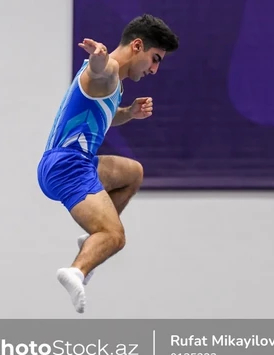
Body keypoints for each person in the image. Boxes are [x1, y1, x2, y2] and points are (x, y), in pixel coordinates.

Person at [37, 14, 179, 312]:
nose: (154, 69)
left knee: (133, 173)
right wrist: (98, 59)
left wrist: (129, 113)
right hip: (67, 167)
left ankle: (94, 238)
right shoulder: (110, 71)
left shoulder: (115, 87)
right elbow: (101, 71)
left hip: (77, 162)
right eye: (154, 59)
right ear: (137, 46)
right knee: (115, 236)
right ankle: (76, 271)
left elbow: (104, 116)